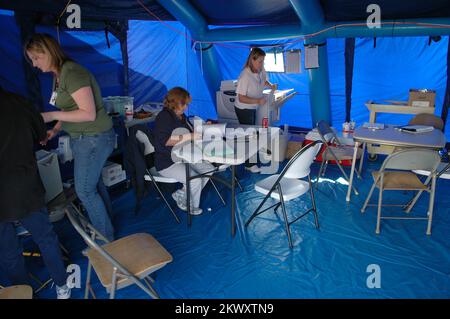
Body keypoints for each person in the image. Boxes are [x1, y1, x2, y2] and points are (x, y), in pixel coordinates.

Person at [24, 33, 115, 241]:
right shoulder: (59, 75)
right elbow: (71, 109)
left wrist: (52, 115)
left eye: (36, 58)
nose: (34, 64)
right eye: (31, 60)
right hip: (87, 138)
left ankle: (106, 241)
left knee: (84, 191)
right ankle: (106, 226)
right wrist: (55, 130)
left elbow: (88, 113)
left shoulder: (72, 73)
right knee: (94, 185)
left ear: (48, 51)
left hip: (93, 137)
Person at [0, 86, 71, 299]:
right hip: (25, 185)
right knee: (45, 238)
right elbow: (41, 137)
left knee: (9, 251)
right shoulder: (19, 101)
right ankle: (61, 286)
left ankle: (24, 293)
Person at [153, 87, 214, 215]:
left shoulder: (180, 116)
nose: (187, 106)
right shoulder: (164, 116)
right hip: (167, 162)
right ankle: (190, 205)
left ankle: (182, 194)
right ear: (176, 103)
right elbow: (166, 141)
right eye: (185, 103)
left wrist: (203, 127)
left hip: (184, 156)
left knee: (208, 169)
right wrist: (189, 136)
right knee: (195, 179)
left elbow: (190, 132)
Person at [234, 47, 277, 173]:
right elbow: (241, 98)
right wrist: (257, 101)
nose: (262, 64)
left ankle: (255, 152)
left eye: (263, 61)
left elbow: (264, 80)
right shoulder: (245, 76)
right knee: (250, 135)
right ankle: (249, 164)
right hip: (244, 108)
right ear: (252, 60)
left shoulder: (260, 69)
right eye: (260, 61)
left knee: (254, 133)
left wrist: (271, 85)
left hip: (254, 106)